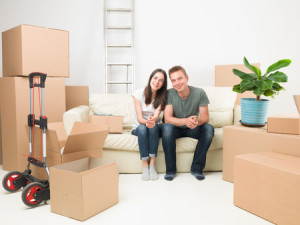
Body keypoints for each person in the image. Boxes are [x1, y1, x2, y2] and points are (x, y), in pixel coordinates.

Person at [162, 65, 214, 181]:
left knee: (209, 129)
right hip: (175, 129)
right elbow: (168, 118)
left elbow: (205, 118)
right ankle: (170, 170)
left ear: (187, 78)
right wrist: (185, 121)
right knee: (167, 128)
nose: (177, 83)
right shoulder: (169, 93)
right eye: (173, 80)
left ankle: (196, 169)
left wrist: (195, 122)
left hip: (192, 128)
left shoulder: (200, 93)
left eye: (180, 78)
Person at [132, 68, 168, 181]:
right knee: (143, 128)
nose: (157, 82)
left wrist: (153, 120)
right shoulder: (138, 93)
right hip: (139, 126)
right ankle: (145, 166)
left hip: (154, 126)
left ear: (163, 84)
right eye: (155, 78)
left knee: (154, 127)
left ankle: (152, 165)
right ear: (150, 79)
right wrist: (147, 122)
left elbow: (157, 116)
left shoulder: (162, 97)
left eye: (161, 80)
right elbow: (139, 118)